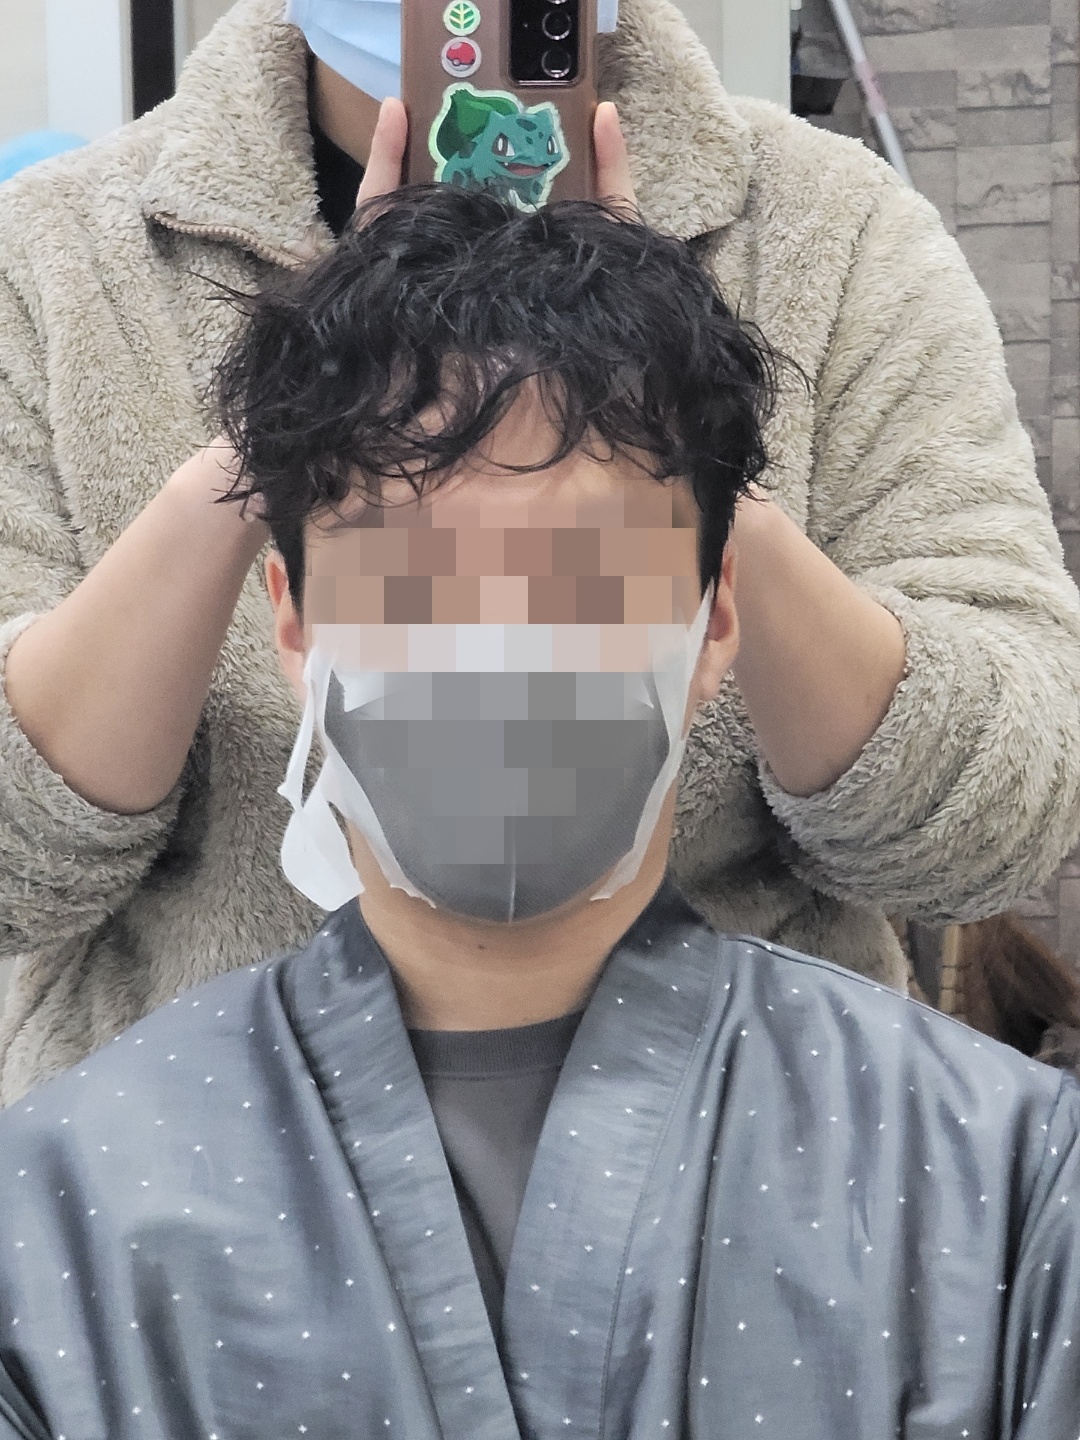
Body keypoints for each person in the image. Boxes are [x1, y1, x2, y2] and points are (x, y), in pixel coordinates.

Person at [1, 189, 1078, 1440]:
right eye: (413, 581)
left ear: (715, 622)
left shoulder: (1003, 1184)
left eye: (584, 579)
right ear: (294, 627)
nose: (498, 648)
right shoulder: (57, 1221)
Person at [3, 0, 1080, 1107]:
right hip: (189, 1152)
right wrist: (284, 425)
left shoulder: (834, 229)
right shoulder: (57, 253)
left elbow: (991, 824)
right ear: (293, 613)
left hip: (760, 1129)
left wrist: (678, 423)